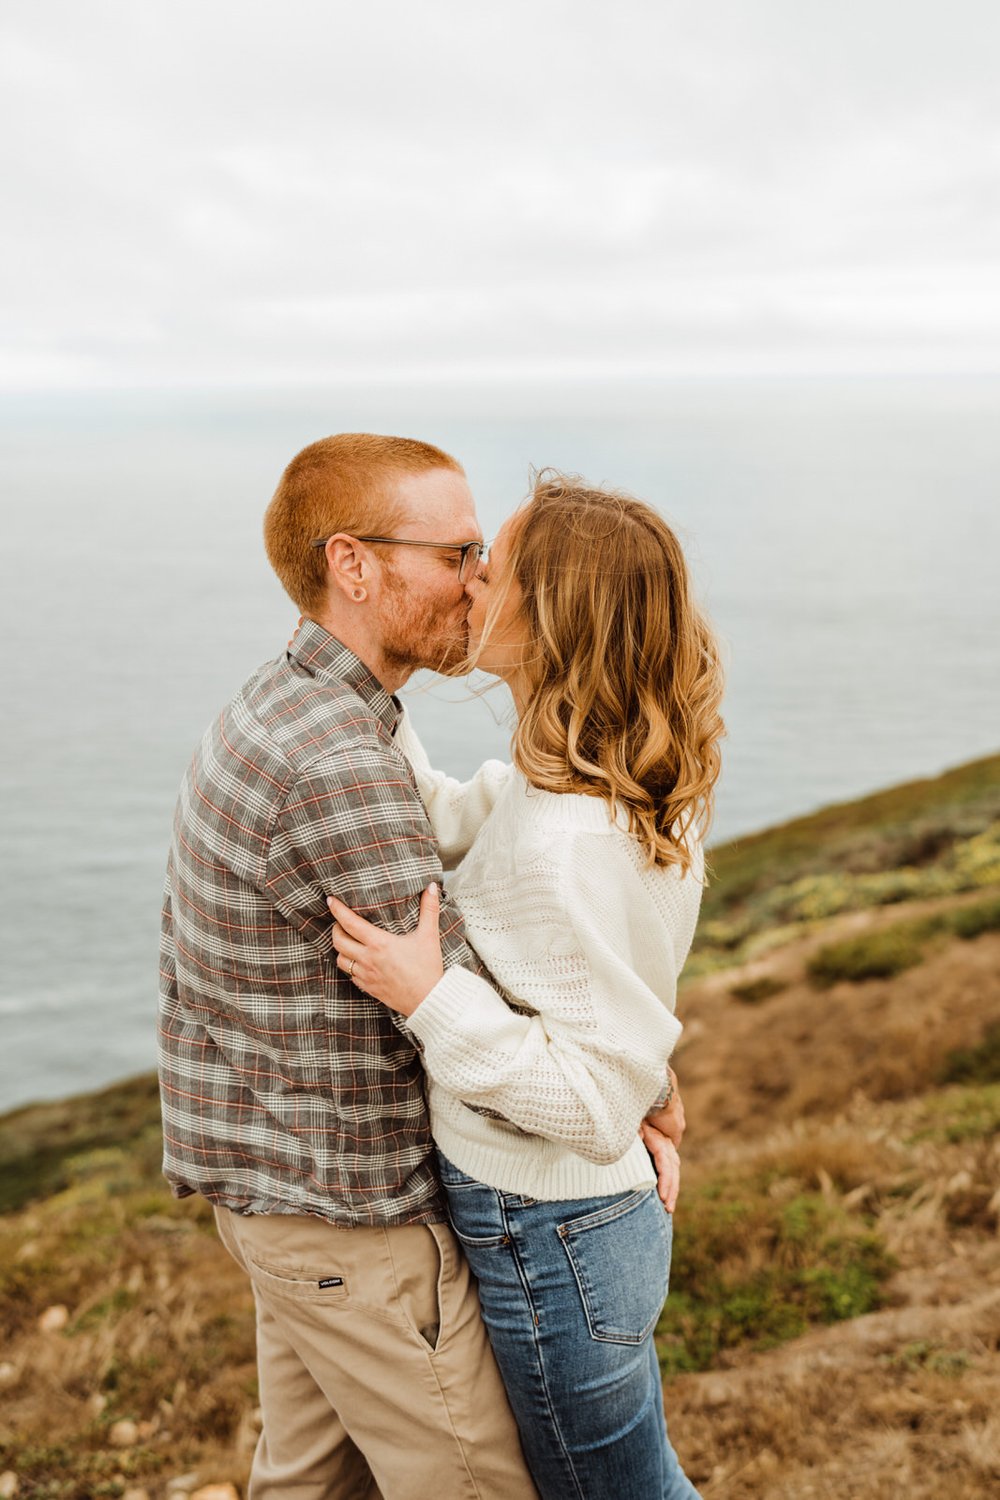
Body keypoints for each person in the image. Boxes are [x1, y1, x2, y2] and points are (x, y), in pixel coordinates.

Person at [157, 432, 542, 1500]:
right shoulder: (334, 763)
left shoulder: (281, 705)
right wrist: (645, 1074)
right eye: (458, 552)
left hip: (280, 1199)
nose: (480, 581)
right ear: (354, 564)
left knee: (314, 1487)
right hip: (350, 1222)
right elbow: (460, 992)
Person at [328, 472, 724, 1500]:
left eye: (486, 569)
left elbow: (591, 1101)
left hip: (554, 1239)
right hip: (569, 1228)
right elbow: (461, 821)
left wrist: (428, 996)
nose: (464, 584)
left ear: (545, 619)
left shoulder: (570, 840)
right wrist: (368, 676)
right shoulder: (569, 781)